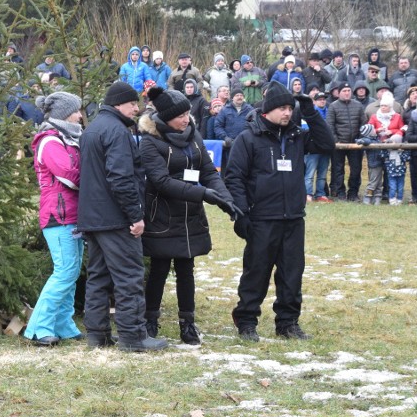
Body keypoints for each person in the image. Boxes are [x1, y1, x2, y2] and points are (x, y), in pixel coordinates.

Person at [225, 82, 335, 342]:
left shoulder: (297, 136)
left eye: (290, 108)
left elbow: (326, 144)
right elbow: (235, 178)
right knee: (256, 272)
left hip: (293, 218)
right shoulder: (249, 138)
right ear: (268, 110)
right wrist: (241, 214)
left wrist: (309, 111)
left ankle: (287, 323)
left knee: (291, 274)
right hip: (262, 218)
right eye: (282, 108)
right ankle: (247, 320)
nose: (287, 113)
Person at [138, 87, 239, 345]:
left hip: (189, 215)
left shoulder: (194, 136)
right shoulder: (150, 140)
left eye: (187, 113)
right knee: (159, 269)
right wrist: (204, 194)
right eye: (180, 115)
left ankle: (188, 323)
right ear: (165, 117)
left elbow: (208, 171)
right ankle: (150, 320)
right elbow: (160, 181)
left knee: (187, 269)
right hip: (161, 214)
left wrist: (225, 199)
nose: (186, 119)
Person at [77, 81, 168, 352]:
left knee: (98, 277)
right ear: (119, 104)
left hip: (93, 217)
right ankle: (133, 336)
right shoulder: (117, 131)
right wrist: (135, 215)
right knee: (129, 276)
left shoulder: (92, 129)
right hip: (115, 218)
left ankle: (98, 334)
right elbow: (121, 177)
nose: (136, 109)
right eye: (132, 104)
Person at [23, 92, 85, 346]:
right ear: (64, 114)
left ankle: (63, 323)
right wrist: (95, 183)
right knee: (65, 271)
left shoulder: (67, 139)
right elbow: (69, 175)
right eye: (76, 111)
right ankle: (39, 327)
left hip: (73, 214)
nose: (81, 115)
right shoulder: (50, 142)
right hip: (58, 216)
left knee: (72, 271)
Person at [326, 83, 365, 201]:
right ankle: (340, 192)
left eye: (348, 90)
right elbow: (330, 125)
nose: (347, 93)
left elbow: (363, 124)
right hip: (339, 144)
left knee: (356, 169)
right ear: (339, 93)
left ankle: (353, 193)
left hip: (355, 144)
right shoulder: (333, 106)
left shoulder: (358, 105)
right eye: (344, 91)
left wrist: (360, 139)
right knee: (338, 169)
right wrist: (336, 141)